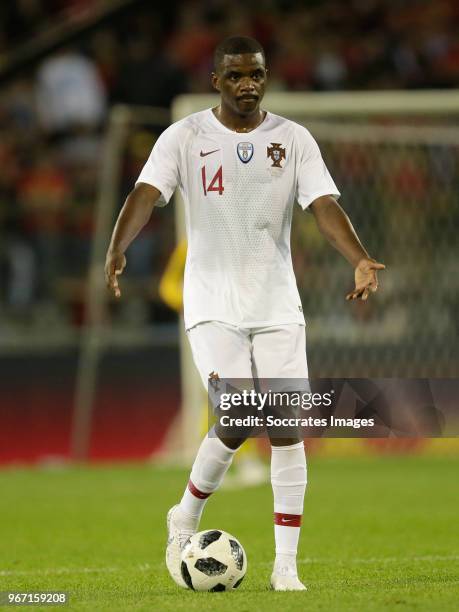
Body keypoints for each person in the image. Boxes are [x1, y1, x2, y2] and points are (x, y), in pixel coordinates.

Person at [105, 36, 385, 591]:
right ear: (216, 81)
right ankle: (184, 514)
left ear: (265, 76)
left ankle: (286, 568)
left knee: (285, 429)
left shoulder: (294, 139)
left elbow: (324, 206)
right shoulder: (184, 137)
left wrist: (358, 258)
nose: (247, 84)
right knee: (236, 415)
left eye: (255, 74)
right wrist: (118, 245)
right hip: (212, 303)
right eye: (234, 76)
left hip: (277, 303)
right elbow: (144, 191)